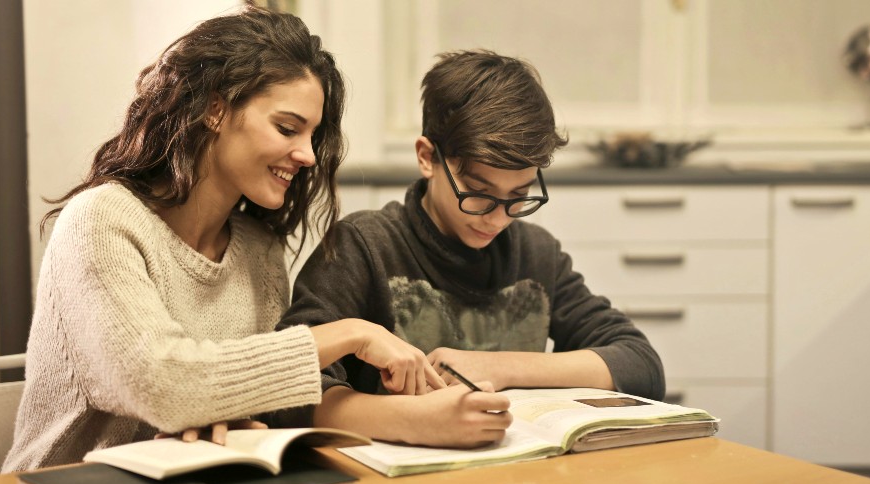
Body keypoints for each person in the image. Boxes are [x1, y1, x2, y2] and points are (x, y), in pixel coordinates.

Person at [3, 6, 443, 473]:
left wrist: (231, 422)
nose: (308, 155)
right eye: (288, 128)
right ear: (216, 108)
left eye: (314, 135)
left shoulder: (259, 251)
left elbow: (237, 401)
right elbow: (165, 385)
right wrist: (350, 333)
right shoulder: (101, 222)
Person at [280, 50, 666, 448]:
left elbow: (640, 364)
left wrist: (497, 366)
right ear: (427, 157)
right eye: (479, 195)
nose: (497, 219)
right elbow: (283, 389)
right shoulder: (363, 248)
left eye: (518, 196)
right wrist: (411, 420)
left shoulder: (536, 253)